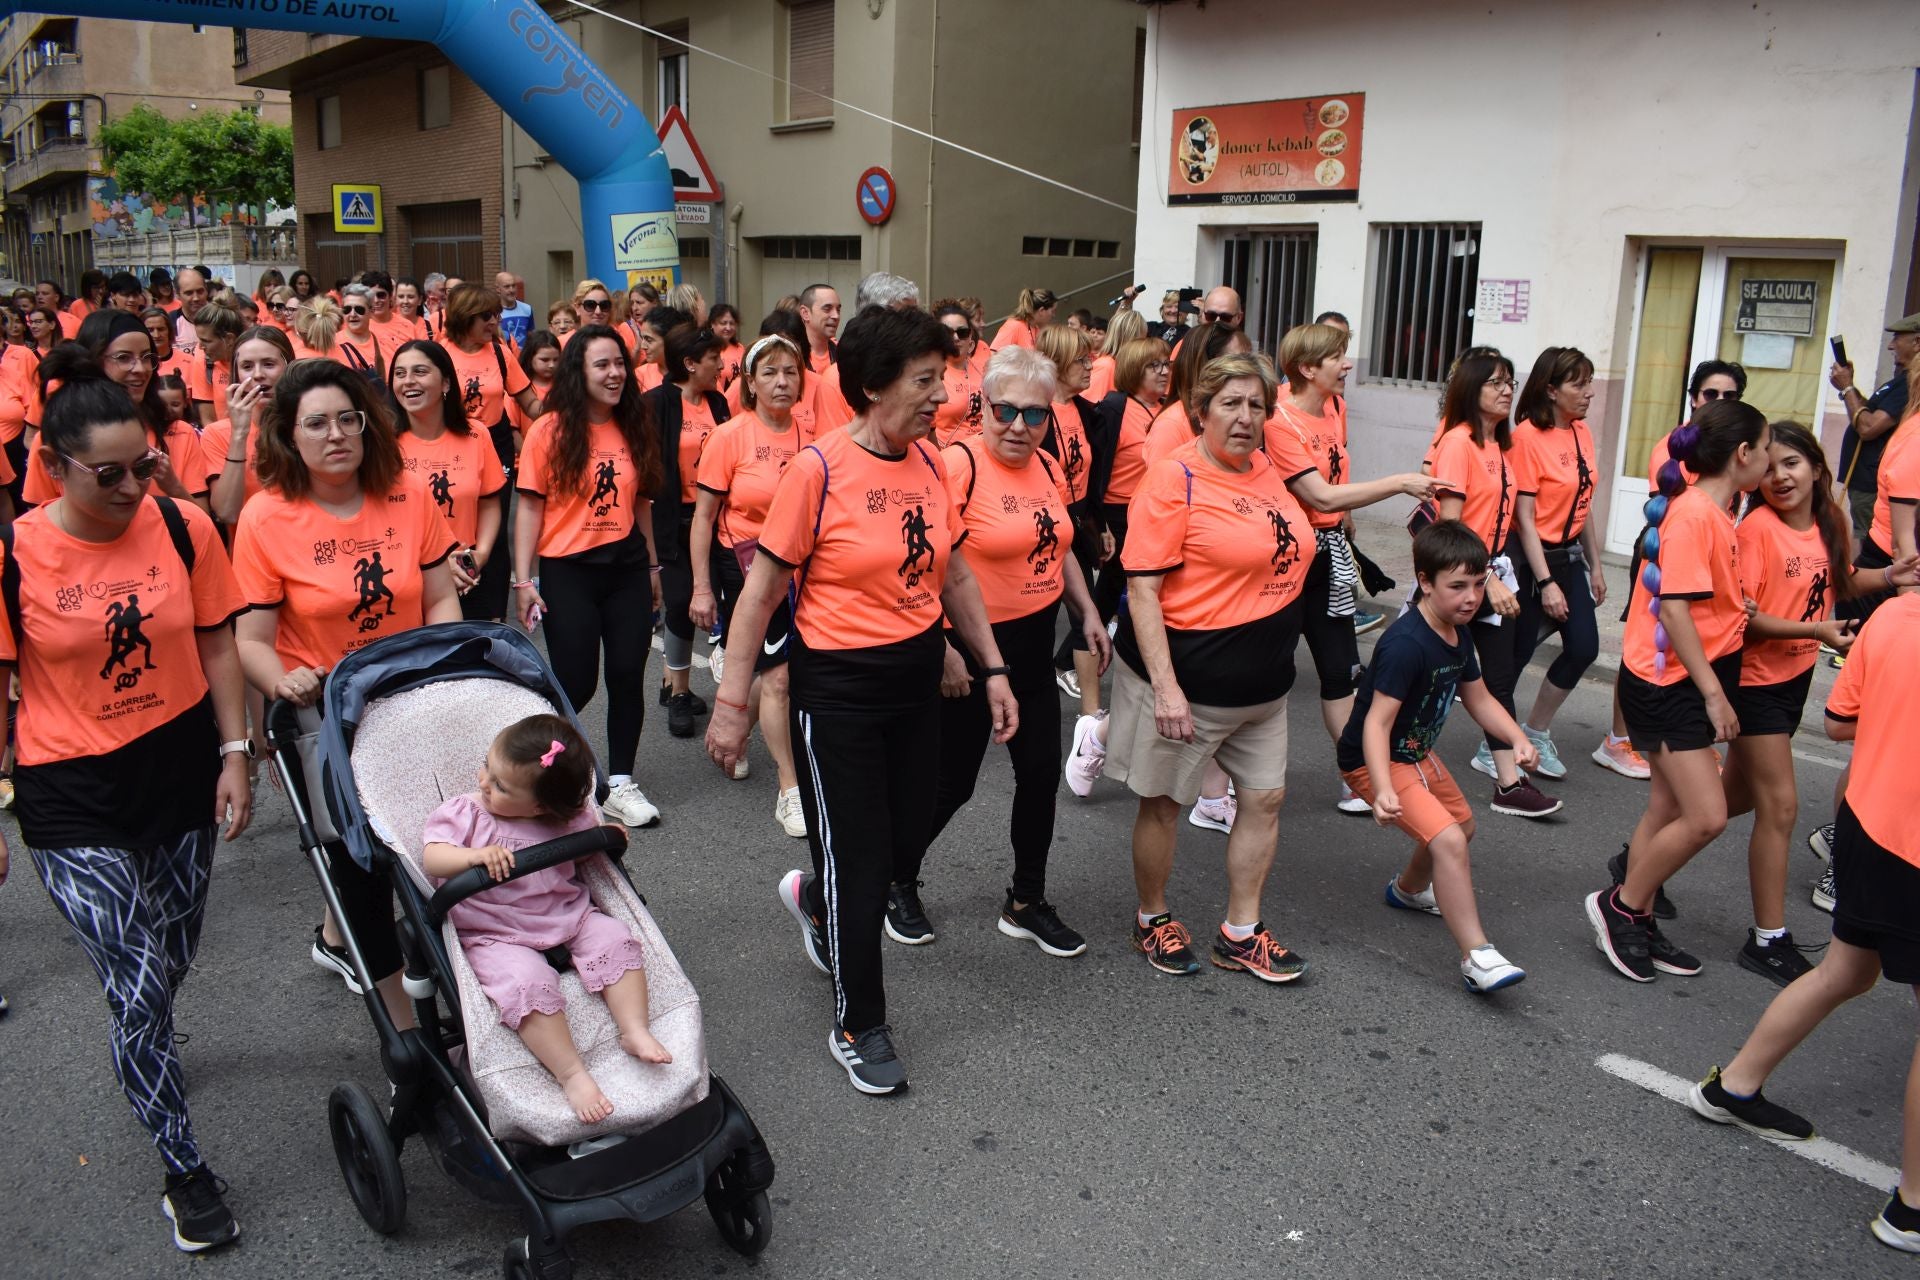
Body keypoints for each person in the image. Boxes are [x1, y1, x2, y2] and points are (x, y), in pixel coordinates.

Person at [704, 305, 1018, 1096]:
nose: (940, 397)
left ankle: (818, 898)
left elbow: (951, 573)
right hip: (837, 692)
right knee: (861, 854)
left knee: (904, 836)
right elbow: (762, 591)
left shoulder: (932, 463)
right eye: (923, 382)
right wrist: (732, 702)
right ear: (874, 386)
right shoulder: (818, 469)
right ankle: (859, 1021)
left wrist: (992, 665)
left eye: (941, 380)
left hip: (918, 683)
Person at [3, 370, 251, 1252]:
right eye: (105, 475)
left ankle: (146, 1046)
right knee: (138, 984)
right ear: (50, 464)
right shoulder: (14, 553)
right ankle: (186, 1171)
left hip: (178, 768)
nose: (131, 489)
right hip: (69, 788)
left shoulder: (182, 526)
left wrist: (236, 754)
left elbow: (218, 640)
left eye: (142, 466)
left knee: (170, 957)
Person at [1685, 588, 1920, 1255]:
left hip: (1866, 827)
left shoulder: (1892, 616)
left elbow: (1842, 723)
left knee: (1845, 971)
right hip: (1911, 845)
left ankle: (1733, 1087)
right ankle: (1911, 1209)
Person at [231, 359, 461, 1017]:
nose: (336, 435)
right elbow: (250, 642)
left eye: (347, 419)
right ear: (288, 436)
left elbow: (441, 597)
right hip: (323, 713)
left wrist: (439, 665)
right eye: (317, 424)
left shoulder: (407, 496)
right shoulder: (266, 518)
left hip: (410, 697)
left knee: (432, 843)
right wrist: (283, 679)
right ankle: (403, 1025)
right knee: (360, 869)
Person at [1105, 353, 1311, 982]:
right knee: (1165, 805)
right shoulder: (1174, 480)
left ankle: (1241, 933)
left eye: (1256, 405)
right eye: (1231, 403)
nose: (1245, 417)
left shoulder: (1269, 471)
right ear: (1200, 411)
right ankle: (1152, 917)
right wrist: (1166, 690)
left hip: (1265, 687)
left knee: (1266, 799)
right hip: (1188, 686)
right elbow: (1143, 589)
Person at [909, 346, 1109, 956]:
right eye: (1005, 411)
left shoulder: (1047, 465)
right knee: (952, 783)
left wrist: (1087, 610)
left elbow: (1062, 544)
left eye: (1034, 414)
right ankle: (895, 877)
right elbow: (925, 565)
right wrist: (944, 645)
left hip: (1031, 642)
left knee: (1040, 772)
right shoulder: (955, 465)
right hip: (968, 648)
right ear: (983, 408)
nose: (1019, 426)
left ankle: (1026, 900)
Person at [1722, 420, 1917, 984]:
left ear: (1816, 467)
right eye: (1771, 466)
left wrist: (1889, 574)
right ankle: (1768, 938)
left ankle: (1639, 863)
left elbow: (1842, 579)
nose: (1781, 476)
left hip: (1796, 679)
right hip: (1755, 682)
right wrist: (1819, 630)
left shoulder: (1829, 520)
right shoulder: (1756, 530)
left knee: (1721, 803)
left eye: (1793, 464)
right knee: (1780, 807)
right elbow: (1747, 618)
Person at [1587, 399, 1772, 983]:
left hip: (1675, 678)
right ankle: (1620, 905)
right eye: (1766, 448)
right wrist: (1715, 695)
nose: (1770, 459)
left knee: (1668, 807)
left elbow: (1701, 602)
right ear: (1742, 455)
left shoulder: (1717, 512)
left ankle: (1635, 913)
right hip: (1673, 684)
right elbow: (1675, 610)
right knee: (1707, 815)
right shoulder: (1696, 515)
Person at [422, 714, 669, 1124]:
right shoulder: (467, 814)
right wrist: (473, 858)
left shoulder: (566, 820)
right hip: (494, 932)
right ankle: (571, 1073)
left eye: (501, 785)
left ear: (540, 806)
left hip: (565, 913)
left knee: (615, 938)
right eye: (487, 766)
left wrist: (606, 837)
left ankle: (634, 1028)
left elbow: (584, 850)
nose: (484, 782)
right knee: (525, 984)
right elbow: (433, 855)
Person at [1338, 520, 1534, 993]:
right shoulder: (1407, 644)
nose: (1471, 598)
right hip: (1376, 759)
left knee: (1462, 829)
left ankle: (1406, 891)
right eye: (1457, 586)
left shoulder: (1456, 631)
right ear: (1425, 582)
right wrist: (1381, 789)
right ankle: (1477, 957)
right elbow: (1376, 723)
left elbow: (1481, 698)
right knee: (1448, 841)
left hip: (1418, 753)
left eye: (1477, 584)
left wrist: (1517, 737)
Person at [1267, 322, 1438, 813]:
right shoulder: (1278, 419)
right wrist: (1399, 483)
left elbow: (1334, 490)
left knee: (1342, 671)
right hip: (1282, 560)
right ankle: (1226, 783)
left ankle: (1356, 773)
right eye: (1338, 357)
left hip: (1329, 554)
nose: (1348, 365)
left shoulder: (1335, 407)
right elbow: (1317, 492)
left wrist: (1344, 525)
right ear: (1305, 368)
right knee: (1263, 675)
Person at [511, 326, 664, 830]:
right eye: (602, 364)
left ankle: (619, 780)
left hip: (625, 567)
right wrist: (523, 579)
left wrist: (654, 567)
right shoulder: (549, 430)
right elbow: (529, 508)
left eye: (619, 363)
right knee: (575, 681)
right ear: (579, 371)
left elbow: (641, 502)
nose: (615, 373)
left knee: (626, 673)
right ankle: (529, 761)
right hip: (567, 569)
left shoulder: (635, 422)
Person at [1430, 351, 1561, 818]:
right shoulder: (1458, 443)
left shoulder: (1499, 445)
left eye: (1510, 382)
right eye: (1495, 384)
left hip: (1488, 574)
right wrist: (1484, 583)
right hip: (1458, 578)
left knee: (1496, 681)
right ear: (1471, 389)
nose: (1507, 391)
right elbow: (1450, 526)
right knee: (1415, 673)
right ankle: (1373, 755)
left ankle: (1509, 783)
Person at [690, 335, 810, 833]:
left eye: (790, 372)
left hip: (798, 571)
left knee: (777, 674)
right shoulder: (729, 437)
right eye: (770, 373)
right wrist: (700, 587)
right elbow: (702, 518)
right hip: (742, 568)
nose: (782, 382)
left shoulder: (811, 436)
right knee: (780, 676)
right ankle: (790, 788)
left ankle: (734, 727)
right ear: (751, 383)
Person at [1508, 347, 1607, 779]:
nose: (1588, 392)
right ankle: (1495, 742)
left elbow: (1582, 503)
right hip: (1533, 561)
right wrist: (1545, 582)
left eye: (1590, 382)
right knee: (1513, 656)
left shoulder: (1581, 430)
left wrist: (1595, 565)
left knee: (1584, 647)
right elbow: (1524, 520)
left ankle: (1536, 731)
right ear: (1551, 389)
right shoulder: (1528, 437)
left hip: (1570, 557)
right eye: (1578, 384)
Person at [644, 323, 730, 738]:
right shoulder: (656, 403)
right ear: (690, 363)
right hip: (672, 520)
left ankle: (670, 682)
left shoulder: (719, 402)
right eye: (713, 358)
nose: (721, 364)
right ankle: (678, 692)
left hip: (715, 517)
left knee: (715, 601)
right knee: (680, 603)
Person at [25, 312, 197, 514]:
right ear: (93, 360)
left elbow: (201, 523)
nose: (140, 368)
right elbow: (38, 523)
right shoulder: (58, 438)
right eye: (124, 358)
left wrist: (172, 486)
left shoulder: (177, 431)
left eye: (147, 357)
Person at [391, 339, 508, 620]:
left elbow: (489, 503)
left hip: (467, 574)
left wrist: (481, 555)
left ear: (445, 383)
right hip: (408, 578)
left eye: (419, 371)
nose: (408, 381)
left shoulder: (476, 434)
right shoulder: (383, 444)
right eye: (399, 373)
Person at [1035, 324, 1106, 721]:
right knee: (1040, 619)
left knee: (1086, 616)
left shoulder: (1085, 411)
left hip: (1079, 524)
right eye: (1081, 359)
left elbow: (1093, 475)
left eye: (1089, 357)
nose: (1089, 365)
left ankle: (1090, 714)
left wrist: (1099, 524)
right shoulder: (1034, 415)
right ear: (1058, 364)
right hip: (1046, 528)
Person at [1831, 313, 1918, 543]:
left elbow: (1868, 427)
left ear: (1917, 343)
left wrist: (1847, 387)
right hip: (1867, 479)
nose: (1891, 345)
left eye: (1897, 338)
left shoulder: (1911, 383)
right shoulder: (1902, 379)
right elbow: (1867, 412)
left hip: (1872, 483)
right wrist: (1848, 386)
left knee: (1870, 545)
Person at [200, 325, 296, 526]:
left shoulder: (306, 426)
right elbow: (227, 512)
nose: (258, 374)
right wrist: (239, 434)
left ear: (288, 367)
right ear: (237, 374)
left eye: (269, 364)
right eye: (247, 366)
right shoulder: (217, 434)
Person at [931, 301, 984, 445]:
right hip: (950, 457)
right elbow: (927, 430)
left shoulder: (985, 368)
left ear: (970, 335)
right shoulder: (931, 376)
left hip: (985, 454)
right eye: (947, 332)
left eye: (962, 332)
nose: (955, 338)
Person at [188, 297, 245, 427]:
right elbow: (208, 419)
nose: (200, 346)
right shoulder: (202, 358)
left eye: (206, 341)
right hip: (221, 440)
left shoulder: (255, 362)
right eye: (199, 339)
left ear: (229, 338)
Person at [1087, 309, 1145, 401]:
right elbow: (1088, 407)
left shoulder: (1125, 365)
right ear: (1127, 338)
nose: (1143, 344)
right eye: (1140, 339)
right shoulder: (1106, 366)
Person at [992, 288, 1057, 351]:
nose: (1054, 315)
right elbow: (993, 356)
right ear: (1041, 311)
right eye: (1053, 311)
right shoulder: (1014, 326)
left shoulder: (1036, 328)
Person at [795, 283, 841, 373]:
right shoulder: (793, 357)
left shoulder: (843, 354)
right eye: (827, 309)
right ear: (805, 313)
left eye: (838, 310)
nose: (836, 316)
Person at [709, 304, 745, 390]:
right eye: (723, 323)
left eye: (732, 323)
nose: (728, 328)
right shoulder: (707, 349)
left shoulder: (741, 348)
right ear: (712, 324)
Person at [495, 271, 534, 348]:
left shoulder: (527, 309)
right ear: (498, 289)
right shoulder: (494, 312)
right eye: (507, 286)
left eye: (513, 286)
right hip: (505, 357)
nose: (511, 290)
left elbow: (530, 336)